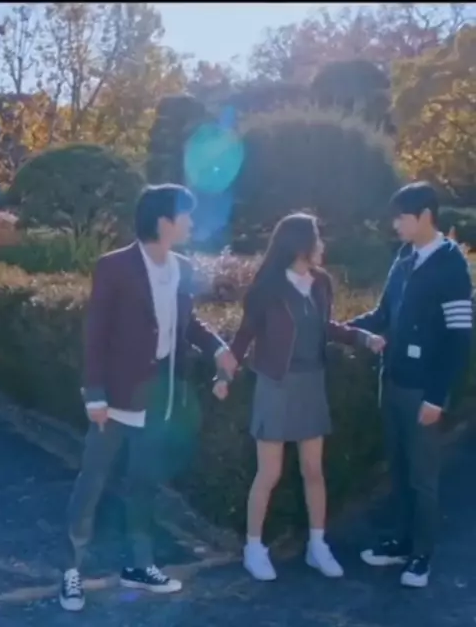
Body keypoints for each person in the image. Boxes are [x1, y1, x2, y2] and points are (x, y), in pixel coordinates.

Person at [59, 183, 237, 612]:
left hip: (159, 400)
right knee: (93, 482)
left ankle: (139, 565)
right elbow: (96, 333)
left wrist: (218, 348)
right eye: (186, 214)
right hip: (115, 399)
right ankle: (71, 570)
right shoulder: (114, 266)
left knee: (144, 484)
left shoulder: (182, 268)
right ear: (163, 220)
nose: (191, 222)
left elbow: (189, 323)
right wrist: (95, 394)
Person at [213, 213, 384, 582]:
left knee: (313, 470)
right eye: (316, 239)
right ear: (299, 244)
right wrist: (224, 375)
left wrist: (362, 337)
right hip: (276, 384)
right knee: (269, 472)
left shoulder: (321, 283)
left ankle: (317, 546)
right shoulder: (267, 288)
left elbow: (325, 327)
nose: (321, 245)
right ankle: (254, 548)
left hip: (311, 382)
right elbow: (244, 336)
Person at [347, 182, 473, 588]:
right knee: (398, 469)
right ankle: (400, 541)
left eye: (401, 217)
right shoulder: (404, 258)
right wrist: (341, 330)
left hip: (423, 391)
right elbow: (383, 313)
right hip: (393, 381)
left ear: (424, 216)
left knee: (423, 477)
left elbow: (459, 337)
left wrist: (437, 396)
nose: (396, 225)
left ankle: (422, 555)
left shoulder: (451, 265)